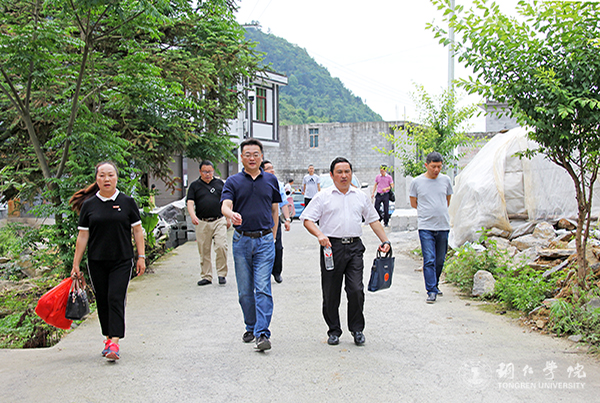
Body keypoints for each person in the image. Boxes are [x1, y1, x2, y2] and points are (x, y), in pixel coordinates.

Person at [301, 157, 391, 346]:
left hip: (354, 247)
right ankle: (334, 330)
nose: (344, 175)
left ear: (351, 173)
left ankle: (357, 329)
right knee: (331, 292)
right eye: (339, 172)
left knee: (356, 290)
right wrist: (319, 235)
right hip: (330, 248)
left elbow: (373, 219)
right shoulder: (323, 196)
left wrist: (385, 241)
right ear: (332, 175)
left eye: (347, 171)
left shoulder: (360, 196)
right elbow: (307, 219)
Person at [70, 161, 145, 361]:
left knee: (115, 297)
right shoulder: (89, 205)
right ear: (96, 179)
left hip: (122, 259)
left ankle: (115, 342)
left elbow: (137, 231)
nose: (106, 179)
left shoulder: (127, 202)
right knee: (102, 300)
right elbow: (82, 236)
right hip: (97, 261)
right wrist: (76, 264)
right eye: (102, 175)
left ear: (116, 178)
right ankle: (108, 338)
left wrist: (141, 256)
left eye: (110, 175)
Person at [221, 139, 282, 351]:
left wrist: (273, 236)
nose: (252, 158)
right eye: (248, 154)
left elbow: (274, 210)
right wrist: (231, 214)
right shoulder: (233, 181)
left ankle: (262, 333)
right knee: (245, 291)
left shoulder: (271, 180)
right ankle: (251, 325)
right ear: (241, 158)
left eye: (256, 154)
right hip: (242, 241)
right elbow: (225, 205)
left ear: (261, 156)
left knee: (263, 287)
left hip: (265, 240)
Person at [409, 152, 453, 304]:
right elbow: (413, 203)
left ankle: (435, 284)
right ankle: (431, 291)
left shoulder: (446, 180)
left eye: (439, 167)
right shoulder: (417, 182)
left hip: (443, 226)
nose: (436, 170)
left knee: (440, 260)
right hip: (426, 226)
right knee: (429, 259)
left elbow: (447, 200)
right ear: (426, 165)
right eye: (433, 166)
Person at [186, 161, 230, 286]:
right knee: (204, 250)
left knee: (221, 246)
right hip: (202, 222)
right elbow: (190, 202)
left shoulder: (219, 184)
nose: (208, 174)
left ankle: (222, 274)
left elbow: (226, 201)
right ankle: (206, 276)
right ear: (200, 172)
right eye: (205, 172)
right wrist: (193, 216)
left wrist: (228, 218)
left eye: (210, 171)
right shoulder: (194, 186)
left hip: (219, 220)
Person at [262, 161, 291, 284]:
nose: (272, 170)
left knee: (278, 247)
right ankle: (264, 273)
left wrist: (287, 219)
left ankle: (277, 272)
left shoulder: (278, 184)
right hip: (262, 220)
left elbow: (283, 203)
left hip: (275, 219)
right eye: (268, 168)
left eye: (272, 168)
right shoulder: (258, 184)